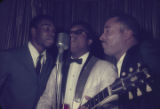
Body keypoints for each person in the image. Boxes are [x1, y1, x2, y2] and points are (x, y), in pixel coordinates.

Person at [36, 22, 118, 109]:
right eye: (69, 33)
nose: (71, 36)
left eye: (78, 32)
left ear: (89, 40)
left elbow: (113, 105)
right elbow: (46, 99)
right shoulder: (58, 67)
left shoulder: (106, 68)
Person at [99, 13, 160, 109]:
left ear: (127, 34)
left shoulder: (145, 50)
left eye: (108, 31)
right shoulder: (122, 64)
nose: (101, 37)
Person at [0, 15, 56, 109]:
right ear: (33, 31)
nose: (52, 34)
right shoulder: (9, 56)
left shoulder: (52, 62)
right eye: (47, 28)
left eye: (54, 31)